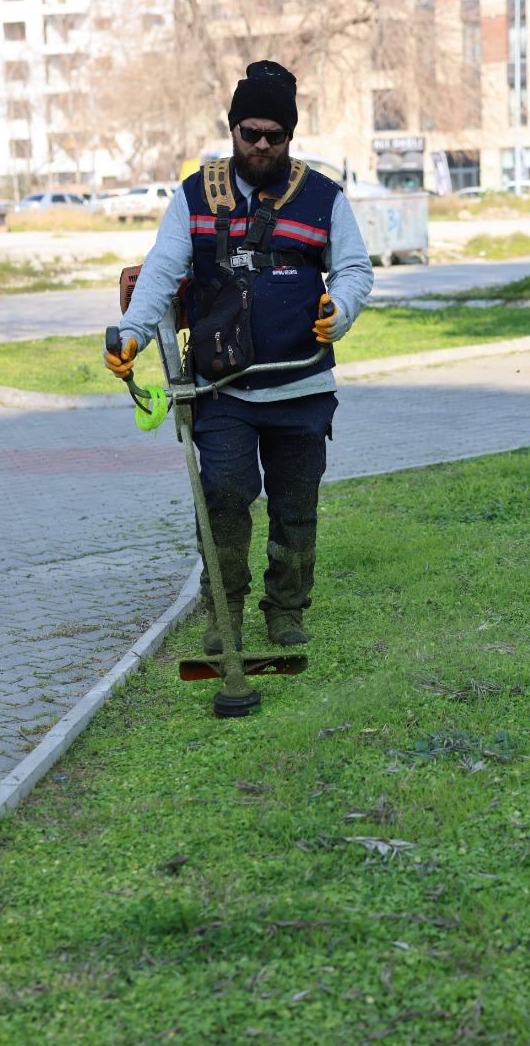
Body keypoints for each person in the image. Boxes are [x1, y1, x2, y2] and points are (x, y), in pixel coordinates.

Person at [106, 60, 374, 653]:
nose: (259, 144)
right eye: (248, 131)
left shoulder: (323, 197)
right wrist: (132, 335)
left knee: (295, 509)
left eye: (273, 135)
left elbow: (355, 269)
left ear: (289, 136)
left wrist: (342, 306)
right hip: (221, 391)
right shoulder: (195, 195)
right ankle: (223, 612)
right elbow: (161, 274)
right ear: (231, 130)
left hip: (300, 385)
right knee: (224, 499)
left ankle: (285, 608)